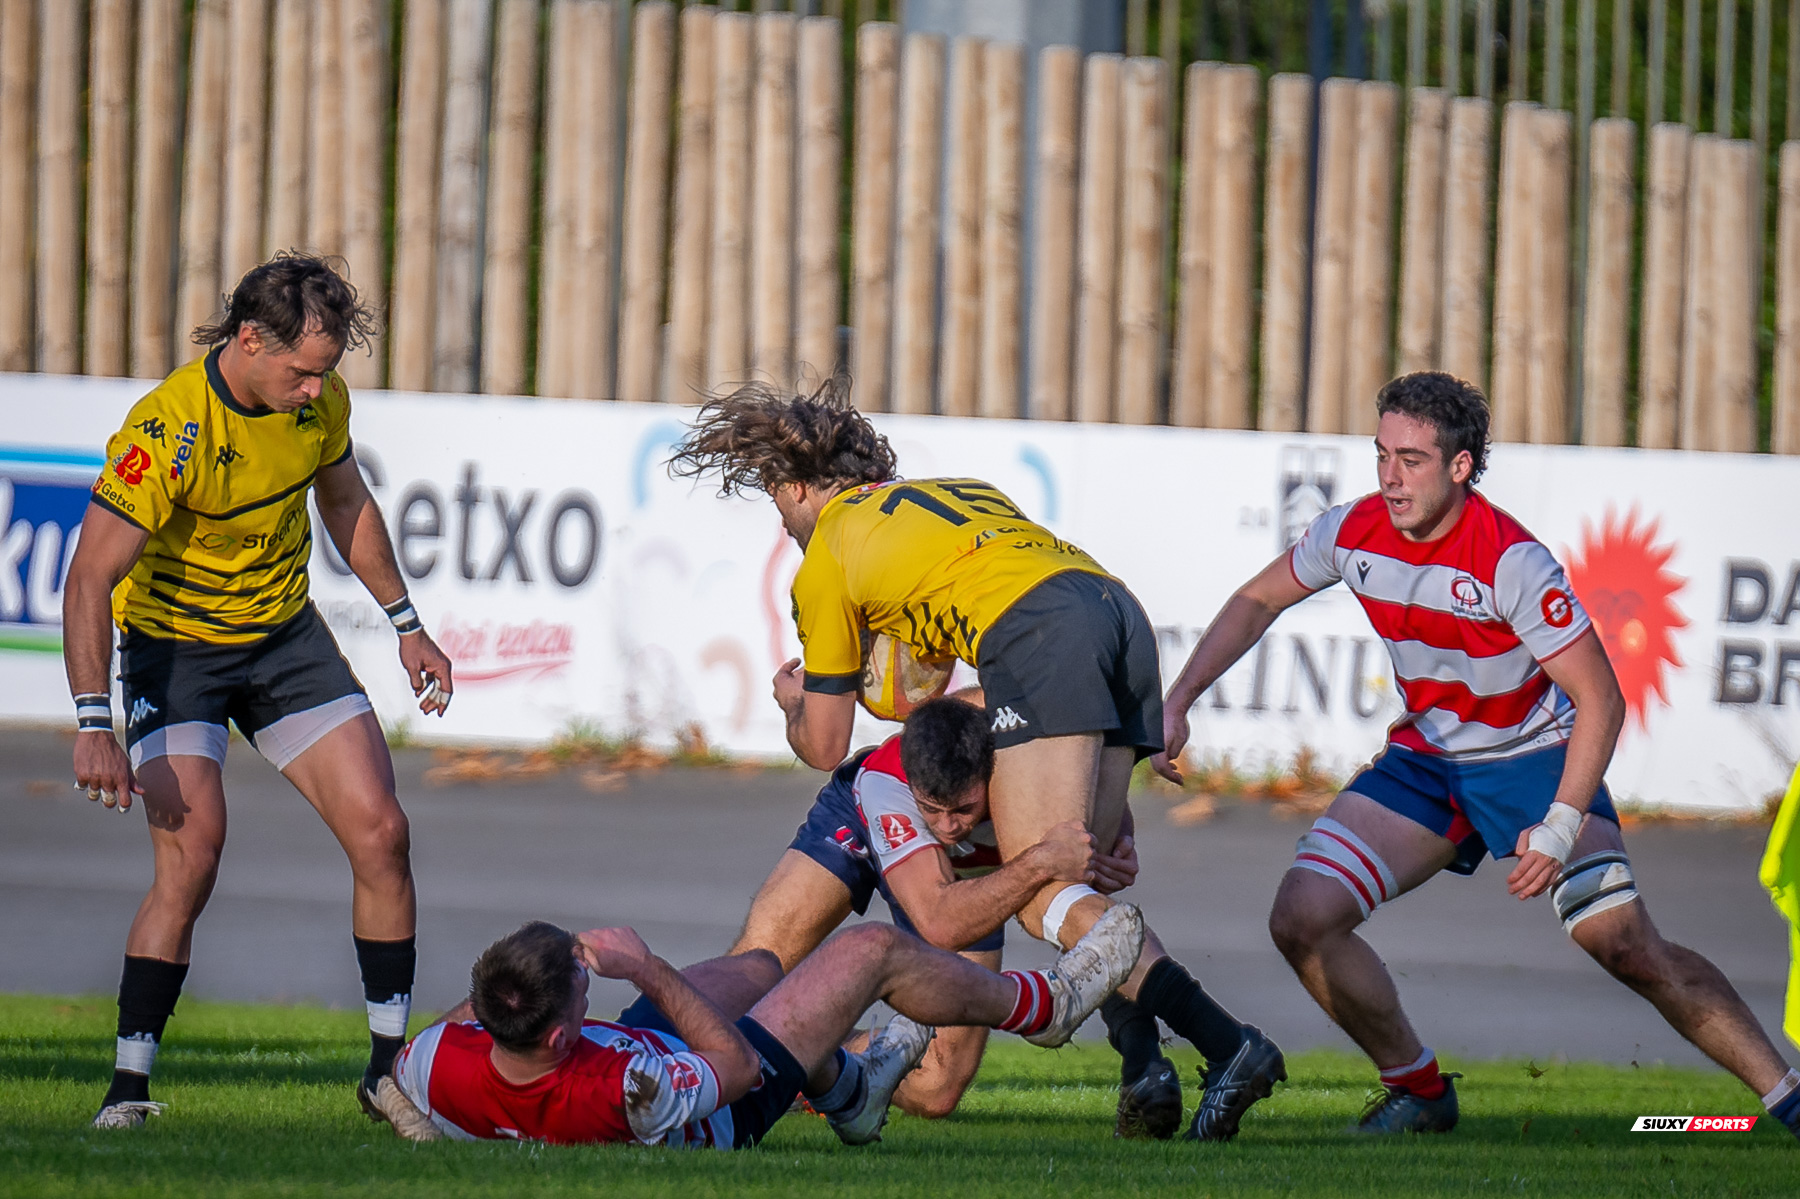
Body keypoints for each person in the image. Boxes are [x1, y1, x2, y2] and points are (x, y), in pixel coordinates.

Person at [1154, 370, 1800, 1139]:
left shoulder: (1510, 561)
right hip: (1429, 759)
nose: (1391, 477)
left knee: (1624, 945)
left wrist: (1559, 824)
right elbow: (1258, 598)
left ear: (1461, 466)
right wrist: (1180, 696)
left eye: (1413, 459)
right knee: (1302, 916)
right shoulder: (1349, 530)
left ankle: (1788, 1097)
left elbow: (1602, 698)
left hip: (1532, 758)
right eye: (1382, 454)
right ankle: (1420, 1090)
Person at [668, 376, 1280, 1142]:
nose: (783, 524)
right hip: (1116, 612)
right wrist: (1107, 794)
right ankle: (1142, 1060)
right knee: (1072, 885)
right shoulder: (953, 497)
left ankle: (1228, 1044)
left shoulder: (827, 557)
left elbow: (826, 744)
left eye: (776, 503)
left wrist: (794, 702)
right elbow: (918, 688)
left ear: (792, 486)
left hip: (1037, 637)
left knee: (1039, 890)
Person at [63, 253, 456, 1129]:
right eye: (302, 372)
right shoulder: (167, 432)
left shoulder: (319, 406)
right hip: (175, 653)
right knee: (194, 853)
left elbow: (347, 502)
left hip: (283, 640)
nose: (316, 391)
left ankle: (388, 1074)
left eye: (325, 373)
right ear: (249, 340)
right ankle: (128, 1089)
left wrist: (407, 624)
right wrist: (95, 722)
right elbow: (90, 578)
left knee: (382, 830)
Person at [731, 694, 1166, 1132]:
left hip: (967, 873)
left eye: (964, 809)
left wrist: (1113, 834)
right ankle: (690, 1069)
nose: (947, 826)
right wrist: (1040, 862)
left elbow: (1086, 773)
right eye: (934, 811)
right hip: (874, 816)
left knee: (936, 1088)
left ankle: (809, 1062)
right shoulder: (894, 780)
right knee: (756, 965)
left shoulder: (1026, 739)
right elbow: (940, 923)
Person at [377, 904, 1145, 1147]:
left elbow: (405, 1076)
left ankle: (852, 1093)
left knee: (762, 969)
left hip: (642, 1050)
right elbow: (736, 1063)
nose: (592, 977)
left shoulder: (440, 1058)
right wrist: (642, 968)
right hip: (719, 1100)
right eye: (584, 984)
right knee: (867, 949)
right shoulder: (630, 1089)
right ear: (558, 1038)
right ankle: (1047, 1005)